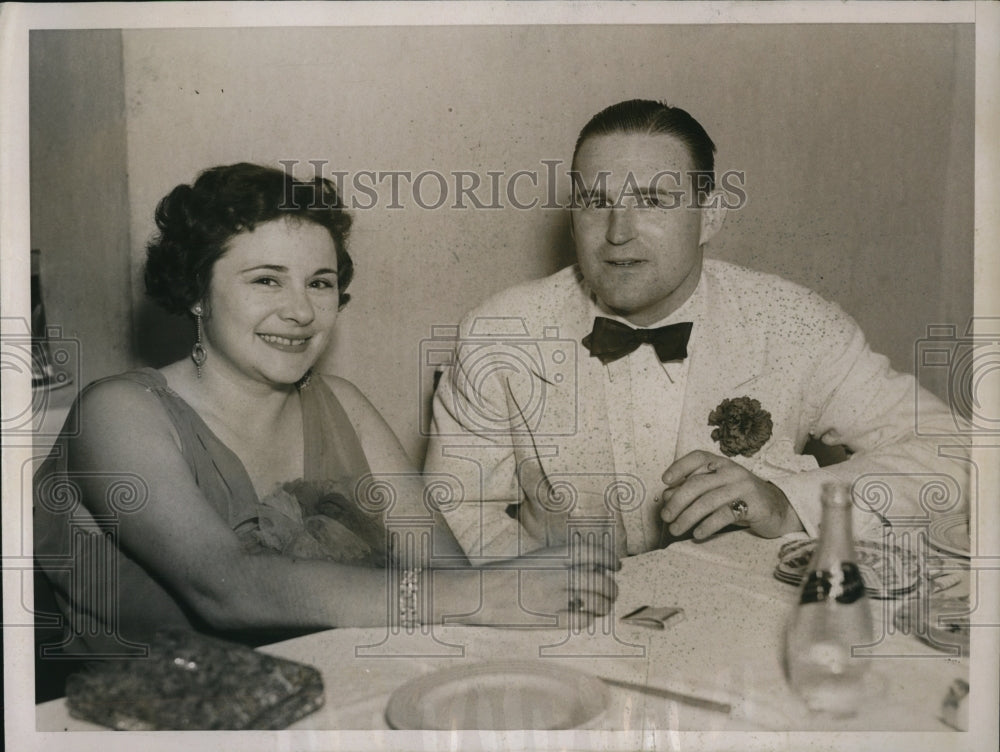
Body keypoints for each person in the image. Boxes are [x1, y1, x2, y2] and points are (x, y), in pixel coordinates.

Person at [33, 163, 617, 657]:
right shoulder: (117, 412)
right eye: (266, 280)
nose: (301, 311)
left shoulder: (344, 405)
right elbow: (225, 588)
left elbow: (446, 574)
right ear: (194, 292)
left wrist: (539, 572)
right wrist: (483, 594)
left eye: (319, 283)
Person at [425, 99, 969, 560]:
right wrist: (541, 576)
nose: (617, 233)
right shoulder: (499, 334)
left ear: (710, 216)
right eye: (596, 203)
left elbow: (959, 455)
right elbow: (451, 512)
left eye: (653, 202)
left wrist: (787, 500)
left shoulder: (797, 324)